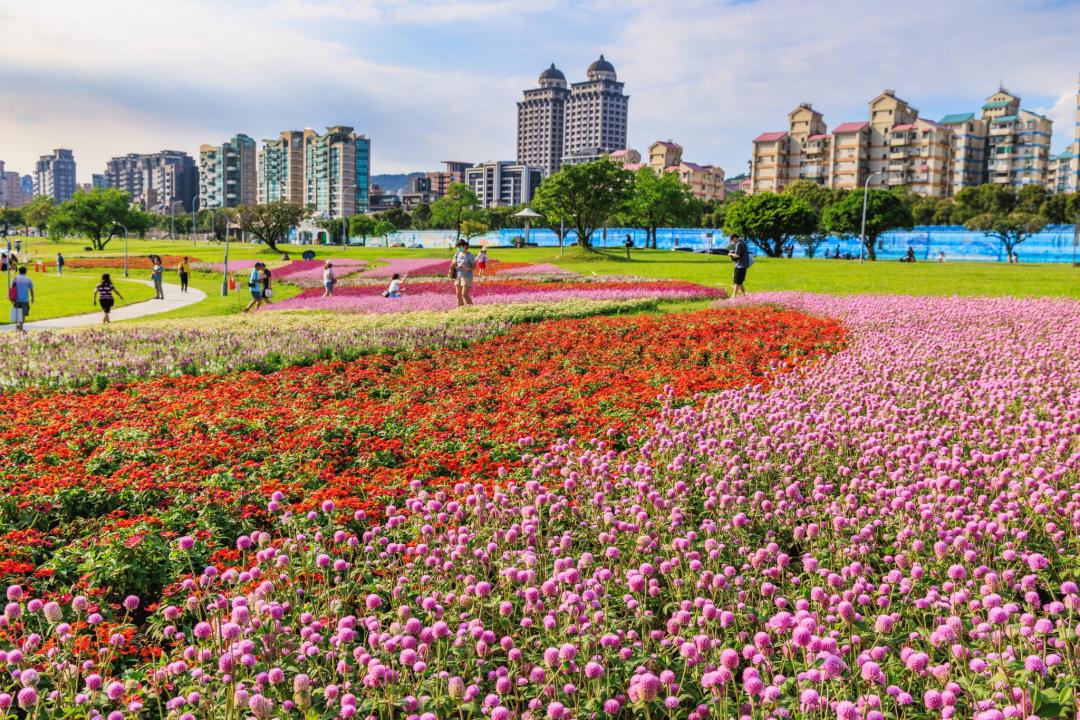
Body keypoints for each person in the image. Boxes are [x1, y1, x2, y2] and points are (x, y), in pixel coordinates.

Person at [451, 240, 475, 307]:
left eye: (460, 247)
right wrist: (453, 264)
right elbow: (453, 262)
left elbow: (474, 266)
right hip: (458, 275)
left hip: (467, 276)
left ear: (465, 246)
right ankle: (460, 310)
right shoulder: (457, 254)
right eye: (457, 247)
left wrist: (467, 268)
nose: (458, 248)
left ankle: (472, 310)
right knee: (458, 294)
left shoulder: (470, 255)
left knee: (464, 294)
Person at [10, 265, 33, 332]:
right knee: (23, 314)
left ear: (19, 271)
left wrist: (11, 298)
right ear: (25, 272)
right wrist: (32, 297)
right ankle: (21, 327)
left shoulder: (15, 278)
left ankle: (18, 325)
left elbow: (12, 288)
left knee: (17, 313)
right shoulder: (28, 279)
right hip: (25, 299)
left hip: (17, 299)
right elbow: (31, 289)